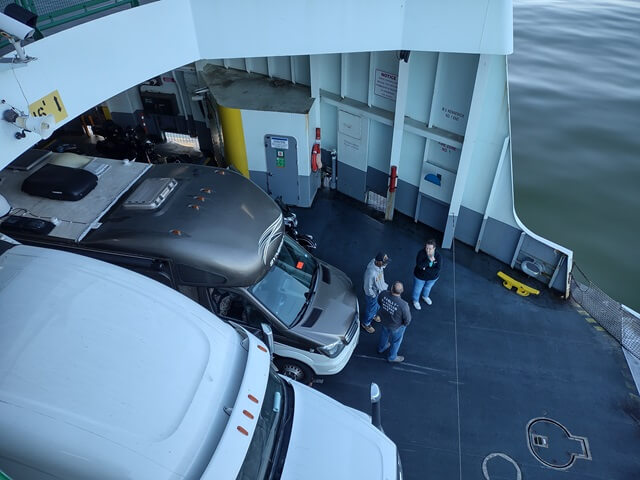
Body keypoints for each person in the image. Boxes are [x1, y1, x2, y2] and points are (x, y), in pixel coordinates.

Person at [377, 281, 411, 363]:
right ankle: (392, 357)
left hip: (384, 321)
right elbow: (407, 319)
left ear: (391, 288)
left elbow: (379, 302)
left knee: (384, 334)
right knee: (396, 341)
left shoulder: (383, 294)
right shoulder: (403, 305)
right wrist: (404, 325)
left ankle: (382, 348)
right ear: (402, 291)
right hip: (396, 326)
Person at [362, 252, 389, 333]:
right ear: (378, 262)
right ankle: (366, 323)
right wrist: (373, 295)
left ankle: (373, 315)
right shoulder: (371, 272)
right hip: (373, 294)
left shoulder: (380, 266)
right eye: (384, 262)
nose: (386, 264)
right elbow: (367, 287)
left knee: (377, 306)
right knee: (371, 309)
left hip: (379, 291)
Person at [412, 239, 442, 310]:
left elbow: (438, 269)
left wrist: (425, 269)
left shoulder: (438, 256)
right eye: (426, 248)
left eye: (430, 249)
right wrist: (429, 260)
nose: (428, 250)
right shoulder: (421, 253)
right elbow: (419, 266)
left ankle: (425, 296)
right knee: (417, 290)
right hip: (420, 277)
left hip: (432, 278)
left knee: (428, 288)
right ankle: (415, 300)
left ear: (434, 248)